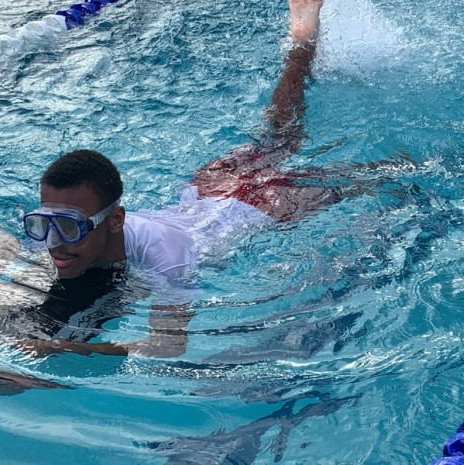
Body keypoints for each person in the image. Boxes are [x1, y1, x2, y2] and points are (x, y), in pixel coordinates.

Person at [18, 0, 352, 358]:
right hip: (203, 191)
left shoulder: (167, 257)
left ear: (115, 219)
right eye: (44, 225)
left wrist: (62, 349)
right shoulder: (67, 230)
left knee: (343, 174)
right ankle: (301, 41)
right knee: (274, 138)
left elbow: (167, 346)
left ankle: (302, 42)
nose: (52, 241)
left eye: (68, 228)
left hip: (256, 207)